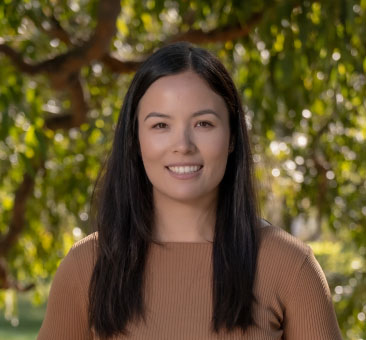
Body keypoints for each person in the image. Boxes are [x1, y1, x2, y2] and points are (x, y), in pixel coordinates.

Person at [37, 41, 343, 339]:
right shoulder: (87, 266)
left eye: (204, 124)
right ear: (135, 140)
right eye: (160, 126)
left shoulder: (290, 266)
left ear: (232, 137)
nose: (183, 146)